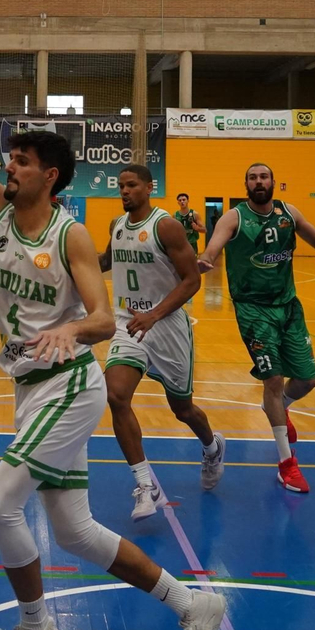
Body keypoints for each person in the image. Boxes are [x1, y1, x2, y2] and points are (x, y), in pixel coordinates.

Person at [0, 1, 225, 630]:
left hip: (72, 385)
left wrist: (70, 326)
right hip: (30, 388)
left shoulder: (70, 233)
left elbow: (107, 319)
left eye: (19, 160)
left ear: (49, 174)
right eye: (9, 159)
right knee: (77, 531)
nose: (8, 166)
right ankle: (194, 604)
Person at [199, 163, 315, 494]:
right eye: (252, 178)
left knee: (308, 379)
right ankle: (286, 465)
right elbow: (214, 247)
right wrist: (206, 259)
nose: (258, 182)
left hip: (289, 306)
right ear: (246, 185)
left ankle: (280, 405)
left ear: (273, 183)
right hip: (253, 310)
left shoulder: (288, 212)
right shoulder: (234, 217)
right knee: (272, 379)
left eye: (263, 177)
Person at [100, 164, 222, 521]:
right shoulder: (117, 225)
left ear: (149, 187)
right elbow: (106, 260)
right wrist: (67, 262)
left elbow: (190, 281)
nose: (124, 191)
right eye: (121, 186)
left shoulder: (165, 226)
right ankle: (144, 484)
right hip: (128, 322)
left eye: (132, 185)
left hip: (166, 325)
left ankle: (212, 448)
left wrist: (154, 314)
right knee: (115, 395)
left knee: (182, 409)